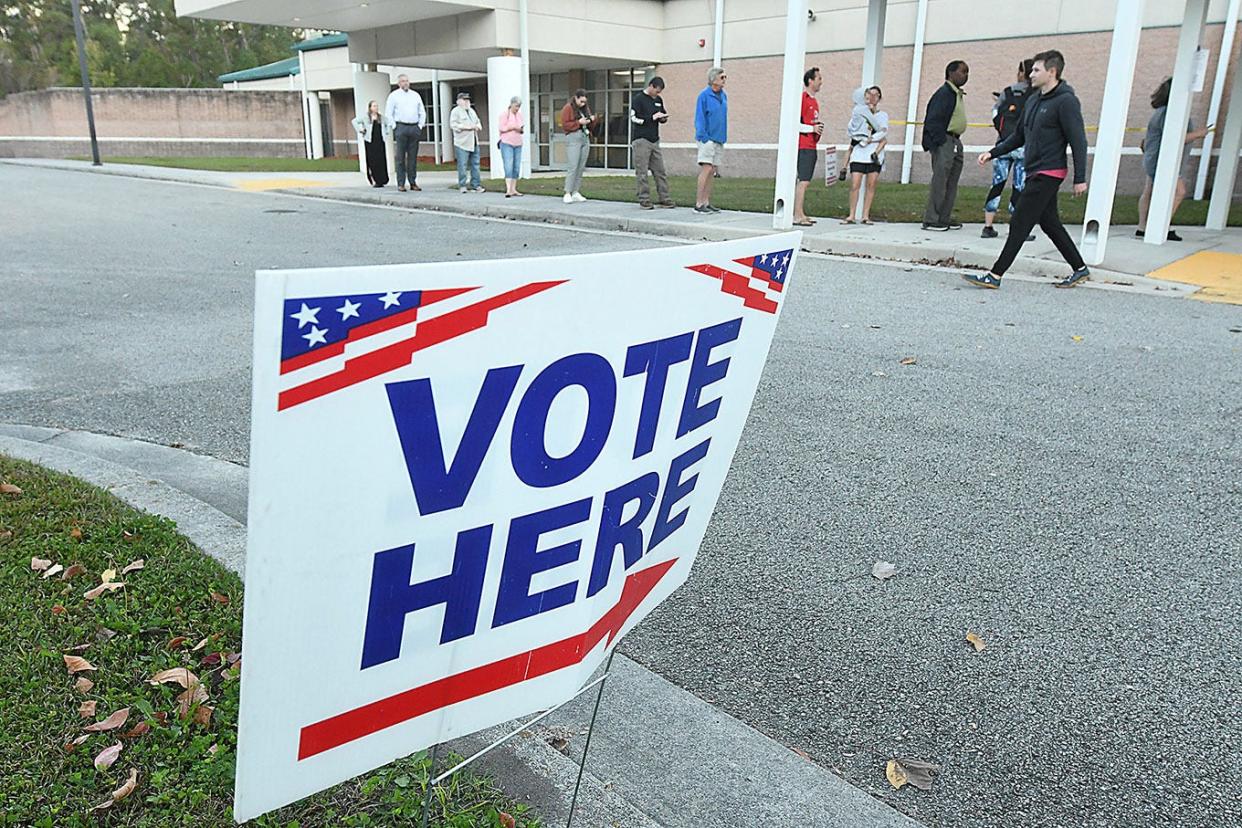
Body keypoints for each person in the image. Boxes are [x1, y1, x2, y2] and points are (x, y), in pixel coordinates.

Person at [969, 50, 1090, 290]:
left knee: (1020, 220)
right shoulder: (1034, 100)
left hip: (1050, 171)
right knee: (1050, 223)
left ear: (1052, 72)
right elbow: (1018, 136)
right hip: (1034, 169)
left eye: (1036, 70)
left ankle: (995, 274)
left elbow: (1078, 140)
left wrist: (1080, 178)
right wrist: (993, 152)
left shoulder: (1066, 101)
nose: (1030, 74)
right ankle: (1080, 268)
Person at [1136, 77, 1213, 241]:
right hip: (1163, 161)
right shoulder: (1170, 113)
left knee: (1149, 192)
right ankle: (1160, 226)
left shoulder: (1161, 112)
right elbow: (1174, 138)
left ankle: (1142, 228)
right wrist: (1200, 133)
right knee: (1179, 192)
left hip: (1153, 158)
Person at [982, 59, 1034, 239]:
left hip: (1003, 145)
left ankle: (988, 226)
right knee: (1019, 186)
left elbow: (995, 113)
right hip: (1023, 146)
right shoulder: (1035, 94)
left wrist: (1002, 132)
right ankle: (1017, 228)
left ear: (1021, 72)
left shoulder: (1007, 92)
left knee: (997, 184)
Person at [921, 60, 969, 231]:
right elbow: (933, 120)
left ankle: (944, 217)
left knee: (952, 181)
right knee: (940, 180)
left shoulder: (957, 94)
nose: (965, 75)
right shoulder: (944, 93)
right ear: (951, 73)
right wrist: (941, 142)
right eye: (962, 71)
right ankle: (931, 218)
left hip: (956, 140)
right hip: (945, 141)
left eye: (967, 72)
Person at [843, 85, 888, 225]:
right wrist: (861, 137)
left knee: (871, 184)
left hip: (874, 153)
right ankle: (851, 214)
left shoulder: (882, 115)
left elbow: (883, 132)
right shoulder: (859, 112)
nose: (873, 98)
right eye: (870, 94)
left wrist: (870, 139)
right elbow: (851, 130)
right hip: (859, 153)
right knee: (855, 184)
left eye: (876, 95)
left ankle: (865, 215)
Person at [630, 76, 675, 210]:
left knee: (660, 171)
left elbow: (662, 113)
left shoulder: (658, 100)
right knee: (642, 171)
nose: (658, 94)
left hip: (655, 139)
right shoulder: (638, 99)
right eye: (657, 90)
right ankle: (644, 199)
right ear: (651, 86)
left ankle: (664, 198)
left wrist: (662, 118)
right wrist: (651, 118)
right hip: (641, 140)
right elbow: (634, 118)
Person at [694, 66, 728, 214]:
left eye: (725, 77)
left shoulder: (724, 95)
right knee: (706, 168)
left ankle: (706, 202)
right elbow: (700, 117)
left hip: (719, 137)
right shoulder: (704, 96)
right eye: (722, 77)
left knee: (713, 170)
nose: (724, 80)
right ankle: (699, 203)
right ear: (713, 79)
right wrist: (704, 137)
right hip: (707, 138)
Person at [793, 67, 824, 226]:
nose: (821, 81)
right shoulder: (803, 99)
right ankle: (797, 215)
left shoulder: (814, 101)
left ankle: (801, 212)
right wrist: (811, 129)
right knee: (803, 180)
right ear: (810, 81)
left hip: (812, 145)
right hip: (803, 145)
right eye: (818, 78)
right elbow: (794, 123)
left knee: (807, 180)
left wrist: (817, 129)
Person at [384, 74, 425, 192]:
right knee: (400, 157)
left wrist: (420, 126)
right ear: (399, 83)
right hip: (401, 127)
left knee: (413, 157)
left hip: (414, 127)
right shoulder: (394, 96)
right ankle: (401, 183)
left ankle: (412, 182)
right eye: (403, 81)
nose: (405, 83)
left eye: (407, 81)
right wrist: (395, 126)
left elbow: (422, 111)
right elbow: (388, 113)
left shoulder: (415, 95)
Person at [560, 89, 596, 204]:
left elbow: (589, 124)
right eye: (581, 101)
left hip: (584, 137)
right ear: (575, 98)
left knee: (581, 166)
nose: (583, 104)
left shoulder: (584, 109)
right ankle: (567, 192)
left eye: (585, 102)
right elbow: (565, 125)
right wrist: (578, 123)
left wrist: (591, 120)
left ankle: (575, 191)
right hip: (573, 137)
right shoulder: (568, 108)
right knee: (573, 166)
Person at [449, 91, 484, 194]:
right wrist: (468, 127)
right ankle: (462, 185)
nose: (466, 102)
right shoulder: (455, 111)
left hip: (474, 142)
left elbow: (478, 122)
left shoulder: (472, 111)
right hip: (462, 143)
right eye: (464, 100)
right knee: (462, 165)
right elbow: (453, 125)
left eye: (468, 99)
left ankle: (476, 185)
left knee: (476, 164)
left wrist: (477, 127)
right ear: (458, 101)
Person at [351, 100, 392, 189]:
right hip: (370, 142)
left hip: (380, 141)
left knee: (381, 160)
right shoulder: (366, 117)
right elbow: (354, 121)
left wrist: (387, 132)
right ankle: (374, 179)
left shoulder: (381, 117)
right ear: (370, 107)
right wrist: (360, 130)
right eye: (374, 106)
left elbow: (388, 123)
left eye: (376, 106)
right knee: (372, 160)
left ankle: (382, 179)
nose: (376, 108)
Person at [498, 95, 525, 198]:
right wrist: (513, 127)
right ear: (511, 104)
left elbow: (522, 129)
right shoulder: (504, 115)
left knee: (516, 166)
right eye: (516, 106)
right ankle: (508, 189)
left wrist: (519, 129)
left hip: (518, 143)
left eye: (519, 106)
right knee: (508, 164)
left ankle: (514, 188)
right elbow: (502, 128)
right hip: (507, 142)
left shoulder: (520, 115)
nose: (517, 108)